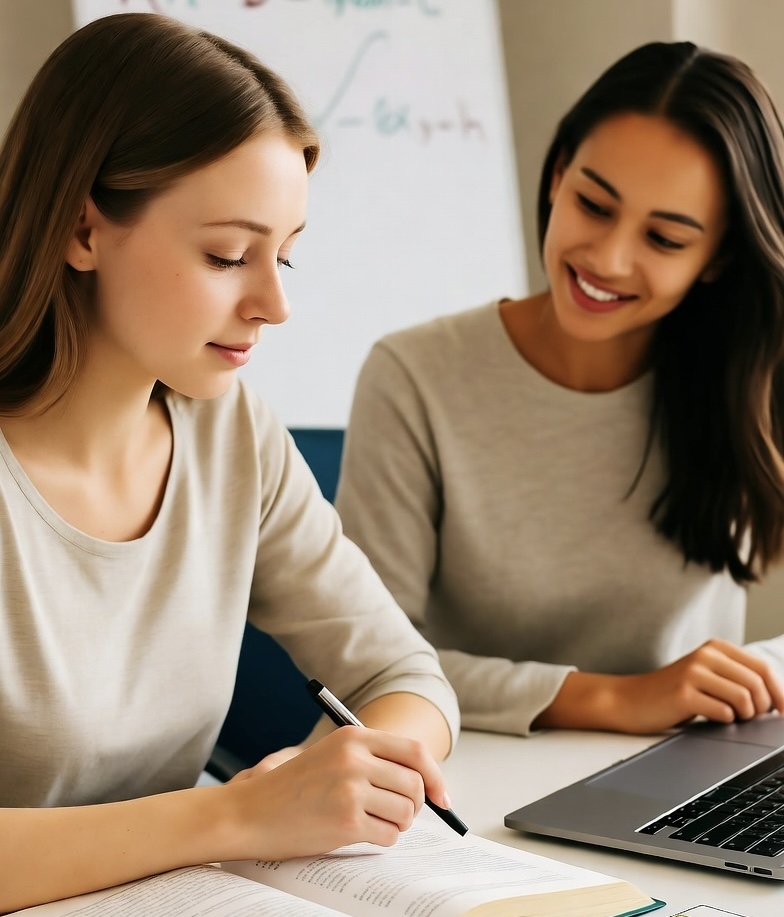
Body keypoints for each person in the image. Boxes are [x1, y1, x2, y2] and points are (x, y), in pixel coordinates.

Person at [0, 13, 459, 912]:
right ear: (83, 229)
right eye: (228, 255)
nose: (274, 303)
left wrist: (354, 765)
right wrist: (236, 815)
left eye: (285, 255)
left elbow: (405, 678)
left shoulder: (229, 432)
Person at [335, 41, 784, 742]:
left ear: (718, 257)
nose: (607, 258)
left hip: (684, 764)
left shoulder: (751, 379)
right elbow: (365, 663)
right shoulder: (415, 376)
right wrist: (614, 698)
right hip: (470, 776)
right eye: (594, 203)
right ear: (555, 175)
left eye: (665, 239)